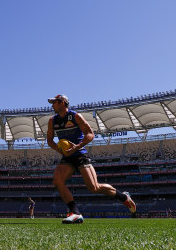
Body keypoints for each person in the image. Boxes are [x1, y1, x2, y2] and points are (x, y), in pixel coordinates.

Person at [47, 94, 136, 224]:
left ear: (62, 103)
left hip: (80, 154)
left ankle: (123, 197)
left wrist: (77, 147)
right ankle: (75, 213)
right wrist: (59, 149)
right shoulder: (52, 120)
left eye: (54, 102)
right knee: (57, 180)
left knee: (94, 187)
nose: (52, 105)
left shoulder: (75, 116)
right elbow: (49, 140)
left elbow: (90, 134)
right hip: (67, 156)